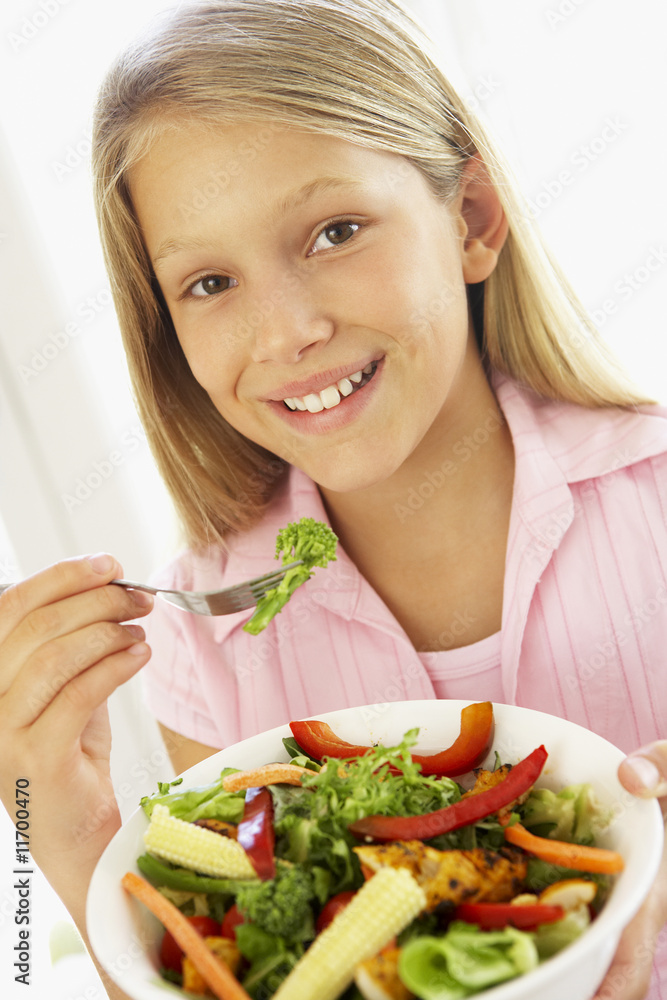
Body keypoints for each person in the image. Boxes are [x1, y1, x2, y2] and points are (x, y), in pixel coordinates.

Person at [0, 1, 665, 998]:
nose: (286, 331)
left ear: (471, 218)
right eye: (211, 281)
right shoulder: (210, 639)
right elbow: (234, 966)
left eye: (334, 231)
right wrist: (76, 840)